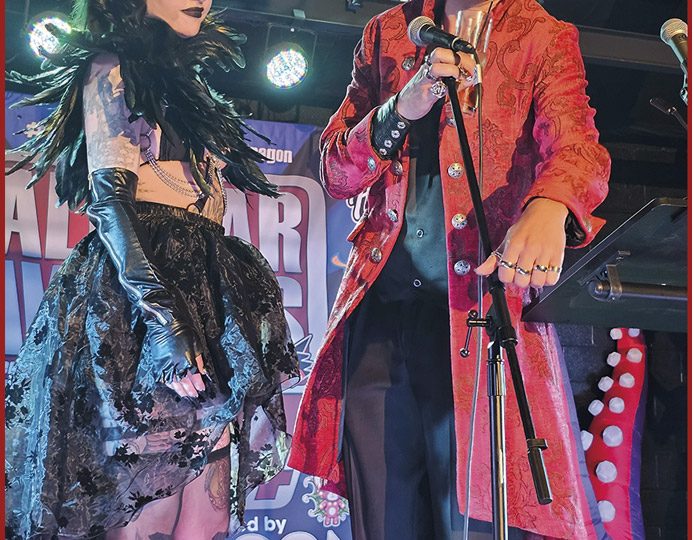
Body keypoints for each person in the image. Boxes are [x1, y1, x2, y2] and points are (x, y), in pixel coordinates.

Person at [289, 0, 611, 539]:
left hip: (479, 319)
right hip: (381, 319)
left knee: (471, 517)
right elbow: (337, 171)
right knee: (385, 519)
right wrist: (400, 108)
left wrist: (550, 204)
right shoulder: (389, 31)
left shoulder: (542, 35)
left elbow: (577, 146)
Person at [5, 0, 299, 538]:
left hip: (205, 296)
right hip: (139, 309)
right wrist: (166, 324)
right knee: (145, 501)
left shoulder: (190, 81)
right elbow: (110, 206)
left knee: (206, 505)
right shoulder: (112, 67)